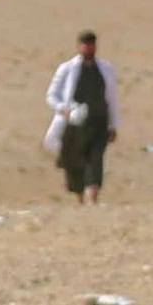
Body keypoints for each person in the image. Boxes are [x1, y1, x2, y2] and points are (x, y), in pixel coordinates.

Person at [43, 32, 117, 204]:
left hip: (99, 121)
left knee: (96, 158)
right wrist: (65, 110)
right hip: (75, 124)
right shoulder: (67, 69)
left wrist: (113, 124)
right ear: (79, 46)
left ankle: (93, 196)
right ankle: (79, 199)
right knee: (74, 160)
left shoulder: (106, 69)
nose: (88, 48)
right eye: (85, 44)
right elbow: (51, 96)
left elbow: (112, 98)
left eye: (91, 44)